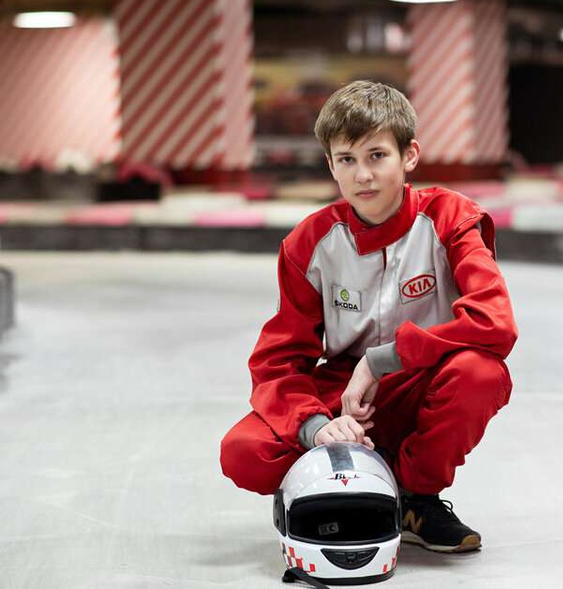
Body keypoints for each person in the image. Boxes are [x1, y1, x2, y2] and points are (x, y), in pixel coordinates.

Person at [220, 80, 518, 553]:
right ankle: (344, 486)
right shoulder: (309, 243)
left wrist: (382, 360)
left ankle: (415, 499)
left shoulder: (451, 219)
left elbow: (494, 322)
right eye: (347, 159)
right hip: (343, 395)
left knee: (480, 373)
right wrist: (316, 426)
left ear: (409, 156)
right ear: (330, 165)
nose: (363, 175)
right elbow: (277, 362)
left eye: (377, 156)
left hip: (423, 379)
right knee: (244, 452)